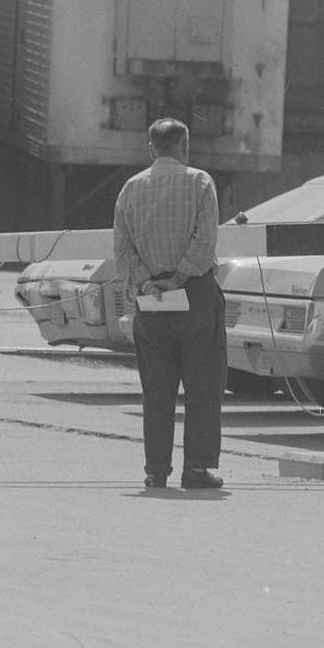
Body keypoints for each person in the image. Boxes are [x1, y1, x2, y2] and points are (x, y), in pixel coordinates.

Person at [113, 118, 227, 489]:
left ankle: (155, 470)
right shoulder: (199, 182)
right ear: (185, 145)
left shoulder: (130, 190)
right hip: (193, 293)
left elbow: (123, 249)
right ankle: (196, 468)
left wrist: (148, 281)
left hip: (152, 300)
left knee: (157, 390)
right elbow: (205, 238)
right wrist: (179, 277)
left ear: (151, 148)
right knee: (203, 385)